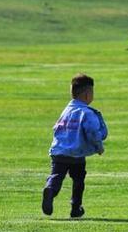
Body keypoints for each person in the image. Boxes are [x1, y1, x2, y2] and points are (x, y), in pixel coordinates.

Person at [42, 73, 108, 218]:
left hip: (58, 151)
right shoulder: (87, 113)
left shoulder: (66, 111)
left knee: (57, 175)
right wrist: (99, 146)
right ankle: (75, 207)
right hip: (76, 154)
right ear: (87, 94)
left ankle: (50, 189)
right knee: (78, 180)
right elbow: (92, 131)